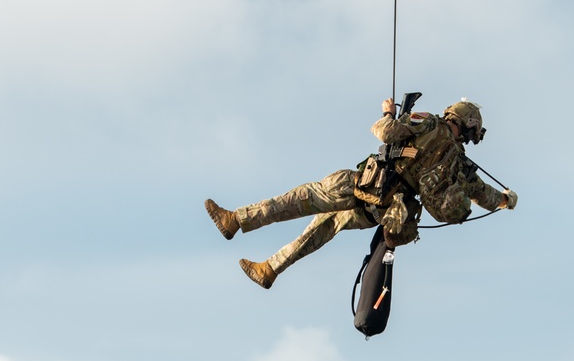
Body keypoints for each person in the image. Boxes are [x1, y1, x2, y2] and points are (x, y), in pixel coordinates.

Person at [205, 97, 518, 289]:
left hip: (370, 184)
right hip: (386, 211)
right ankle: (270, 269)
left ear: (453, 115)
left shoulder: (429, 124)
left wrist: (388, 113)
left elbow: (384, 132)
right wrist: (506, 200)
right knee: (323, 228)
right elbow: (486, 197)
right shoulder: (462, 168)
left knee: (301, 199)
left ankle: (236, 220)